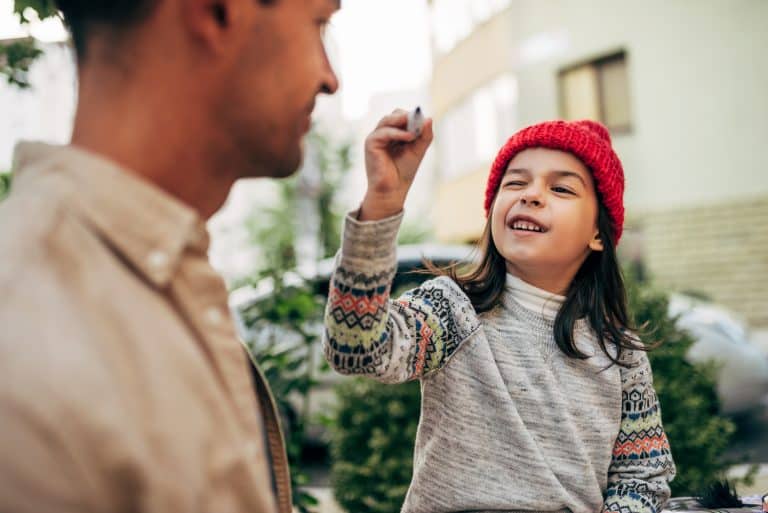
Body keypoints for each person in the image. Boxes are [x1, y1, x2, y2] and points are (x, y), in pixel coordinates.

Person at [0, 0, 338, 511]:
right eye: (319, 23)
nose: (330, 77)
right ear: (216, 11)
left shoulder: (146, 279)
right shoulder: (34, 347)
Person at [323, 111, 676, 513]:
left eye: (561, 189)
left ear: (599, 233)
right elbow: (355, 348)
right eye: (516, 182)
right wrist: (381, 206)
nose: (531, 194)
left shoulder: (620, 350)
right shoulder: (451, 310)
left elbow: (642, 476)